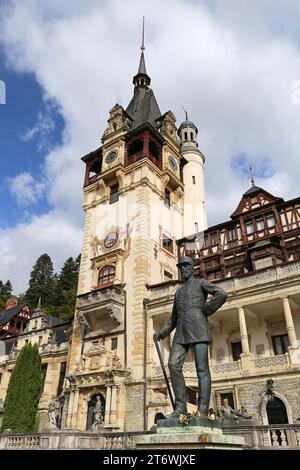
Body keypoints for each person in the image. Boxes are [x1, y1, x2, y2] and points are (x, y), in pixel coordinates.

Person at [153, 256, 227, 418]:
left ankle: (202, 410)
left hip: (199, 328)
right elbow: (173, 318)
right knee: (173, 364)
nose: (183, 269)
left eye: (186, 266)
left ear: (192, 268)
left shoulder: (200, 283)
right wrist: (161, 333)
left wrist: (206, 310)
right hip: (180, 331)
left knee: (202, 370)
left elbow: (221, 294)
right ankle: (180, 408)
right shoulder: (178, 292)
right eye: (181, 267)